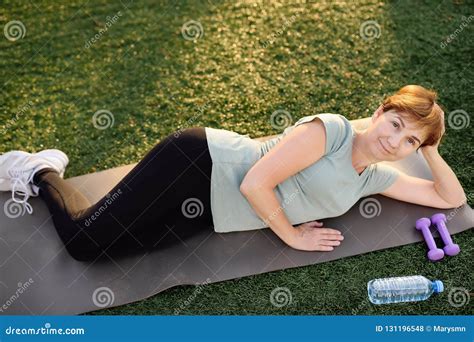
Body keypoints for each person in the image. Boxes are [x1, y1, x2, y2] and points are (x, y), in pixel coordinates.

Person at [0, 85, 467, 261]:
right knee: (84, 244)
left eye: (410, 140)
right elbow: (254, 183)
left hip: (210, 212)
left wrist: (432, 149)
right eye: (396, 123)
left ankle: (46, 171)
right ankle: (39, 169)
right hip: (196, 164)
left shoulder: (374, 177)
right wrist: (292, 236)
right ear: (381, 109)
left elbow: (449, 199)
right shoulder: (332, 131)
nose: (395, 140)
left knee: (107, 251)